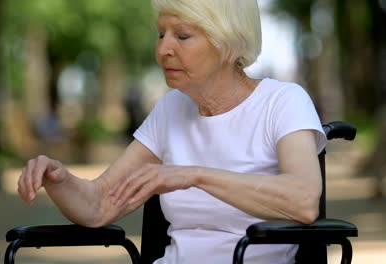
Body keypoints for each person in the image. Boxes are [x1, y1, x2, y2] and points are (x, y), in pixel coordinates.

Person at [17, 0, 327, 263]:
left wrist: (194, 176)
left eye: (182, 35)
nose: (164, 48)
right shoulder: (170, 110)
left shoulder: (282, 102)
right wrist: (59, 180)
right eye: (161, 34)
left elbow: (303, 200)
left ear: (227, 42)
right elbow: (99, 205)